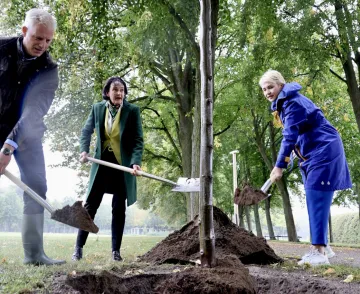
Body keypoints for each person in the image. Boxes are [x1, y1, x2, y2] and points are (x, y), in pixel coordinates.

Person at [259, 70, 352, 266]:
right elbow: (300, 134)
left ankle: (319, 252)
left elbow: (289, 137)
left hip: (324, 150)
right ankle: (323, 246)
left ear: (281, 85)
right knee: (315, 198)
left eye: (270, 87)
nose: (267, 92)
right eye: (264, 89)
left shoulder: (292, 104)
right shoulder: (285, 104)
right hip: (313, 152)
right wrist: (294, 154)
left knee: (315, 197)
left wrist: (279, 166)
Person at [0, 9, 65, 265]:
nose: (43, 45)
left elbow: (34, 111)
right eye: (39, 38)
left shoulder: (49, 70)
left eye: (48, 40)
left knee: (37, 185)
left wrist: (7, 148)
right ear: (25, 31)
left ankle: (34, 255)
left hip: (27, 131)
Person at [72, 76, 144, 261]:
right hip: (102, 164)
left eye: (122, 90)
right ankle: (78, 249)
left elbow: (138, 140)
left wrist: (135, 162)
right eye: (115, 90)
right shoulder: (97, 108)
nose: (119, 93)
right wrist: (84, 150)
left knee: (118, 209)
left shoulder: (132, 111)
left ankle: (115, 252)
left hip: (122, 167)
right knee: (89, 207)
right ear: (107, 93)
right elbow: (86, 131)